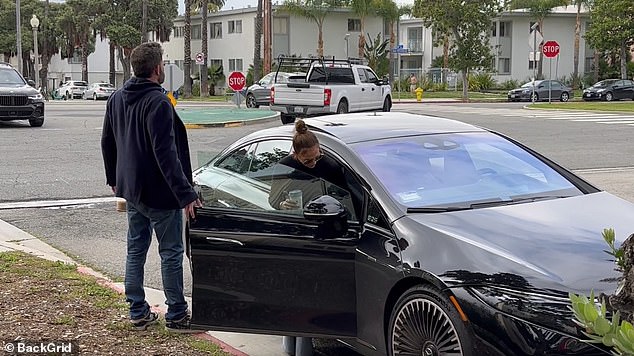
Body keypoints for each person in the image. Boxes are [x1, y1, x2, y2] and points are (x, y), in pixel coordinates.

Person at [101, 42, 201, 333]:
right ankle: (178, 315)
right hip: (161, 194)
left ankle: (138, 311)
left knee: (136, 248)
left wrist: (114, 179)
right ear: (158, 69)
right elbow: (166, 154)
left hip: (132, 190)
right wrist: (186, 194)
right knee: (170, 252)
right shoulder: (158, 102)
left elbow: (108, 142)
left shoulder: (117, 98)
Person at [268, 119, 347, 211]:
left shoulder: (331, 166)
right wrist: (282, 205)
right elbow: (273, 200)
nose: (314, 163)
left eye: (317, 157)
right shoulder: (285, 167)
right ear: (295, 154)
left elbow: (345, 198)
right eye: (307, 161)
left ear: (319, 148)